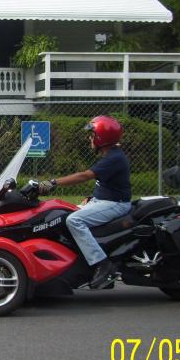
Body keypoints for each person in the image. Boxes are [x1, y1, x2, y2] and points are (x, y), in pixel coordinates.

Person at [38, 115, 131, 289]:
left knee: (74, 220)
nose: (90, 138)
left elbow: (85, 176)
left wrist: (53, 182)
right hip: (104, 201)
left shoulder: (114, 158)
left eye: (92, 135)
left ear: (100, 138)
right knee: (63, 211)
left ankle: (102, 264)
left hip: (116, 204)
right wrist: (92, 198)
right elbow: (106, 183)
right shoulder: (111, 155)